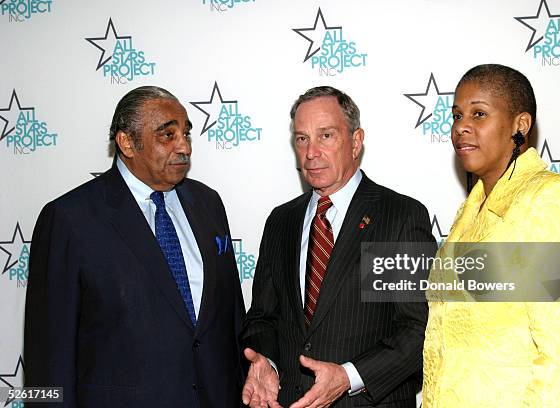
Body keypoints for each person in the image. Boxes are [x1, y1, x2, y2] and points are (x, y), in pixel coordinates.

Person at [24, 86, 245, 407]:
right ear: (126, 142)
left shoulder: (207, 203)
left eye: (186, 133)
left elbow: (231, 317)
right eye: (167, 135)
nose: (183, 146)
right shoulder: (70, 219)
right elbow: (48, 354)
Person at [241, 86, 436, 408]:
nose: (311, 152)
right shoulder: (281, 220)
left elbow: (417, 329)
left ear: (356, 141)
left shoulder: (397, 217)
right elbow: (263, 316)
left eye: (326, 136)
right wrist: (265, 361)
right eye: (302, 138)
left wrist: (349, 376)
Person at [422, 64, 560, 407]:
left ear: (520, 125)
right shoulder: (469, 212)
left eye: (479, 114)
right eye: (457, 115)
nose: (461, 127)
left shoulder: (554, 200)